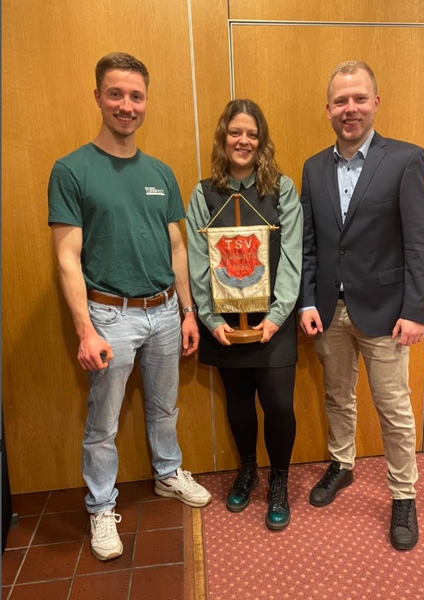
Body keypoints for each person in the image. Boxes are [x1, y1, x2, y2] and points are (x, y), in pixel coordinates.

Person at [48, 52, 211, 562]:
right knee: (104, 423)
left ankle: (167, 473)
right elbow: (66, 258)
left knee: (165, 407)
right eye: (116, 94)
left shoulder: (160, 172)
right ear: (98, 96)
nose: (126, 105)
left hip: (164, 311)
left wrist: (187, 311)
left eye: (136, 96)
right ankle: (100, 506)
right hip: (109, 316)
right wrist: (85, 330)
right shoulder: (71, 170)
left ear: (146, 101)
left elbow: (177, 246)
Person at [298, 61, 424, 550]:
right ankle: (342, 464)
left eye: (359, 98)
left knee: (393, 407)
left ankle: (403, 494)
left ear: (375, 103)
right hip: (328, 310)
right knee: (337, 396)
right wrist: (305, 302)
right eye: (341, 101)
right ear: (328, 109)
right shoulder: (313, 168)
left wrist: (417, 310)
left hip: (386, 312)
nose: (350, 108)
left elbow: (421, 242)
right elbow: (309, 244)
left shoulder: (405, 159)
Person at [187, 99, 302, 531]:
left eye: (252, 134)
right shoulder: (203, 193)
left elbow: (292, 257)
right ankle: (249, 470)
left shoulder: (282, 189)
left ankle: (279, 480)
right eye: (235, 132)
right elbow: (197, 260)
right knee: (238, 402)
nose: (243, 141)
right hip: (223, 323)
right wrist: (211, 319)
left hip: (274, 320)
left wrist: (276, 316)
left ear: (262, 140)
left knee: (278, 404)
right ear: (223, 137)